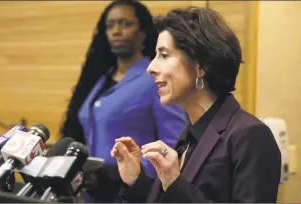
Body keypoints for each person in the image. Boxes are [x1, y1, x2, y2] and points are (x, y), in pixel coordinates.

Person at [111, 6, 282, 203]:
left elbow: (180, 193)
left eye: (164, 55)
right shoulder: (187, 136)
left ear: (201, 66)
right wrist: (135, 181)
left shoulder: (250, 135)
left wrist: (174, 183)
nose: (151, 68)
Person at [60, 0, 187, 202]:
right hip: (90, 195)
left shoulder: (156, 80)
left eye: (125, 24)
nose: (116, 31)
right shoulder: (100, 81)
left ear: (143, 33)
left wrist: (117, 173)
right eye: (110, 26)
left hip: (131, 193)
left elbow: (173, 146)